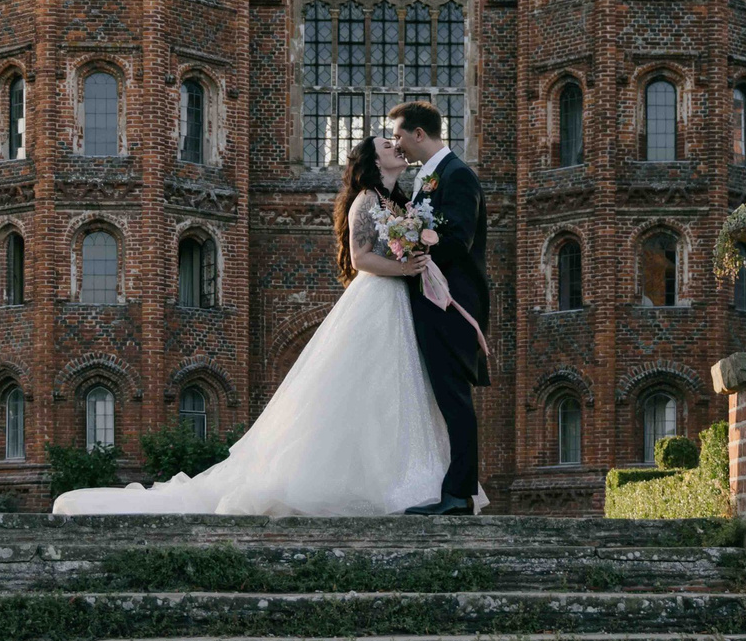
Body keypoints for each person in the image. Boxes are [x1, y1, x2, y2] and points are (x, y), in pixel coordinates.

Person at [49, 134, 451, 516]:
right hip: (377, 297)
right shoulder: (365, 200)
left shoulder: (398, 202)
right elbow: (361, 258)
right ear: (372, 160)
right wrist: (405, 266)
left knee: (394, 388)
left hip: (397, 300)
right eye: (386, 145)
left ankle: (401, 479)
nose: (396, 148)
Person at [384, 100, 488, 516]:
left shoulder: (458, 175)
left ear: (419, 134)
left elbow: (459, 239)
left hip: (451, 303)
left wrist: (410, 248)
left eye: (398, 136)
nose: (397, 144)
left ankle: (459, 495)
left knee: (454, 398)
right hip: (430, 298)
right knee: (442, 399)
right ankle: (449, 488)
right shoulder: (426, 177)